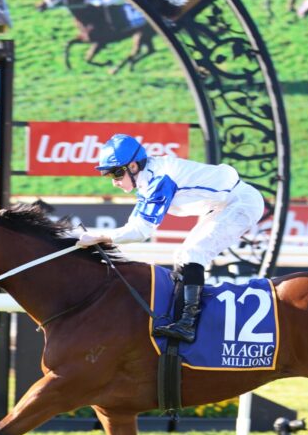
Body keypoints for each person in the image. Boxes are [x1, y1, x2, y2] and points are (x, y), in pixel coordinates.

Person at [78, 134, 265, 343]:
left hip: (241, 203)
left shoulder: (159, 179)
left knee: (193, 253)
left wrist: (100, 236)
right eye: (110, 176)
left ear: (133, 166)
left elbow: (141, 231)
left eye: (117, 173)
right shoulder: (147, 179)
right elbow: (134, 225)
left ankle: (188, 325)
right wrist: (99, 237)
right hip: (223, 205)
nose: (115, 182)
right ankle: (180, 319)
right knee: (182, 256)